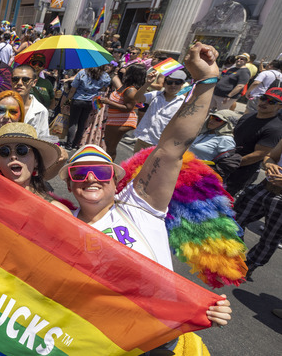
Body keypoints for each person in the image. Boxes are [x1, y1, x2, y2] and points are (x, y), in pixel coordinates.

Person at [60, 43, 232, 344]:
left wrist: (205, 82)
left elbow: (171, 148)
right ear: (71, 184)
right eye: (79, 174)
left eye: (101, 172)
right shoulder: (63, 225)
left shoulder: (139, 206)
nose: (90, 179)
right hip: (97, 336)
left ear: (115, 182)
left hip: (155, 334)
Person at [0, 122, 69, 211]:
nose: (13, 156)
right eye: (4, 151)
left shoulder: (56, 211)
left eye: (22, 150)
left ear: (36, 160)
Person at [234, 138, 282, 280]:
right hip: (265, 187)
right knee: (235, 219)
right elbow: (270, 157)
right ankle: (233, 255)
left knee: (270, 238)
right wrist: (270, 165)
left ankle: (248, 266)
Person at [224, 87, 282, 195]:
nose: (264, 102)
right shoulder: (248, 116)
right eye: (263, 98)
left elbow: (259, 154)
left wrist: (233, 164)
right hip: (225, 162)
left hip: (241, 171)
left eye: (271, 102)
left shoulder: (276, 128)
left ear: (279, 106)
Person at [132, 69, 188, 152]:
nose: (173, 85)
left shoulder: (183, 103)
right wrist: (147, 83)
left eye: (177, 83)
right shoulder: (156, 94)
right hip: (142, 139)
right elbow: (138, 98)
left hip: (160, 146)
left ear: (182, 85)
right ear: (164, 83)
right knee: (135, 165)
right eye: (169, 82)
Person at [100, 64, 145, 159]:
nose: (123, 71)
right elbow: (115, 78)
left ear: (132, 74)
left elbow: (128, 108)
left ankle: (110, 169)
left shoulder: (131, 90)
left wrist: (109, 102)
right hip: (114, 120)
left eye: (126, 70)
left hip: (121, 122)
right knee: (107, 146)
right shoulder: (125, 86)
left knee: (110, 148)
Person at [64, 65, 111, 149]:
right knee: (82, 123)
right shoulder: (105, 76)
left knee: (73, 122)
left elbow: (73, 89)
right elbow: (102, 90)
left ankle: (69, 144)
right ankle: (75, 144)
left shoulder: (82, 73)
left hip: (78, 99)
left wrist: (67, 100)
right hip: (91, 102)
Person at [11, 64, 52, 140]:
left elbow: (43, 140)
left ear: (34, 82)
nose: (19, 83)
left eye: (25, 80)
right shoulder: (0, 104)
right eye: (15, 79)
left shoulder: (41, 111)